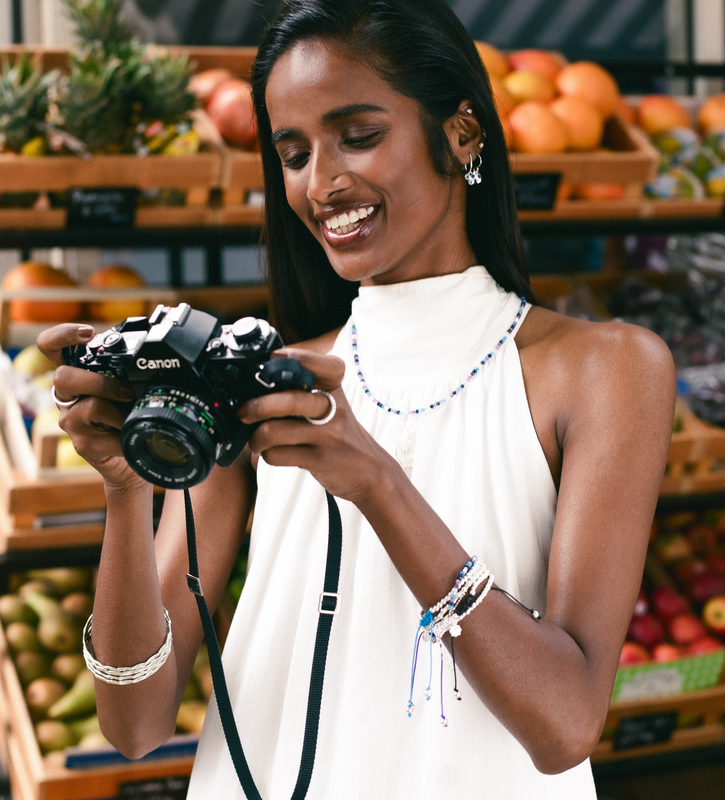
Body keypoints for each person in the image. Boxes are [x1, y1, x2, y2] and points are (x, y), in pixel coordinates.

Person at [37, 1, 676, 797]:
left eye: (359, 135)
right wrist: (127, 496)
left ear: (462, 132)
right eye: (294, 153)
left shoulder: (603, 368)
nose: (322, 182)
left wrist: (379, 486)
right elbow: (134, 724)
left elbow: (566, 723)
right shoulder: (269, 379)